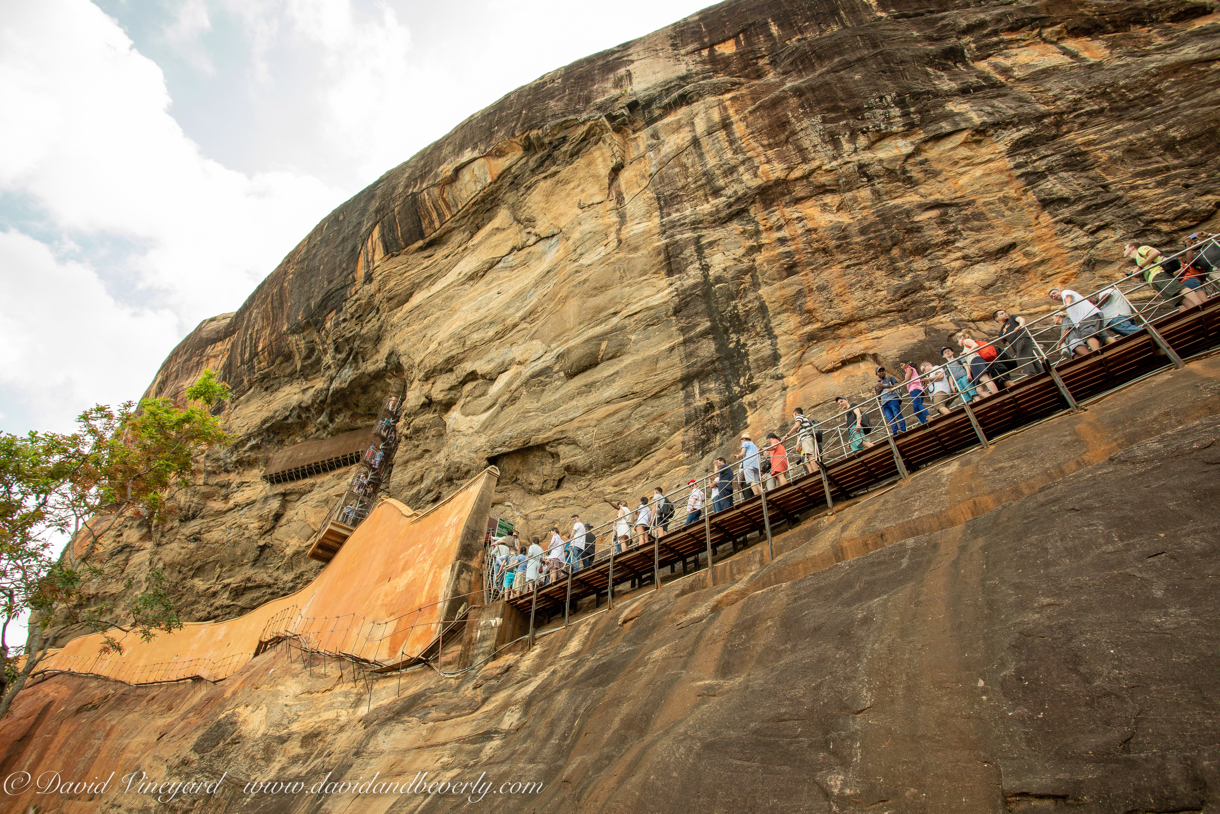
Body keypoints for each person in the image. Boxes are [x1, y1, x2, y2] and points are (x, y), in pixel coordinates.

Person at [1124, 243, 1205, 312]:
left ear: (1132, 247)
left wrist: (1139, 267)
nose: (1123, 251)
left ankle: (1199, 303)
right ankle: (1195, 310)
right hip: (1153, 280)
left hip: (1158, 273)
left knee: (1179, 289)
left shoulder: (1141, 249)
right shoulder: (1138, 259)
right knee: (1178, 299)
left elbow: (1155, 252)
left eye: (1125, 249)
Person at [993, 309, 1043, 378]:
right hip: (1016, 346)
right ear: (996, 319)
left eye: (1005, 312)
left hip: (1022, 339)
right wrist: (1016, 352)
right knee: (1031, 358)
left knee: (1023, 359)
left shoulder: (1012, 318)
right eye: (1002, 313)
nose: (1005, 314)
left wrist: (1020, 326)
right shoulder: (1001, 333)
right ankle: (1041, 372)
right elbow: (1009, 344)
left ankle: (1033, 376)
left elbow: (1021, 320)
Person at [956, 331, 1002, 396]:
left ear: (962, 337)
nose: (958, 343)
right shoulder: (965, 347)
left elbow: (975, 345)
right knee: (979, 390)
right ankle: (993, 398)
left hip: (976, 360)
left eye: (958, 340)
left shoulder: (966, 341)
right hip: (973, 364)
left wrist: (967, 352)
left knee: (984, 379)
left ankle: (998, 395)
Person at [780, 407, 820, 476]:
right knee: (806, 461)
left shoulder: (799, 416)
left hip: (806, 438)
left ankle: (817, 473)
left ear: (795, 413)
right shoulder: (804, 418)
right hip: (804, 439)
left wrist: (787, 435)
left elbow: (796, 426)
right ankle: (812, 474)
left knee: (811, 457)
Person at [874, 366, 906, 434]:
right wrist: (880, 390)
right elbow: (878, 397)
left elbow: (897, 385)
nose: (882, 372)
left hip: (892, 399)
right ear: (876, 374)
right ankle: (896, 433)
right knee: (890, 418)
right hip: (884, 403)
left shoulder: (890, 379)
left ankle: (903, 430)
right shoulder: (877, 385)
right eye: (880, 371)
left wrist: (885, 386)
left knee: (897, 413)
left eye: (883, 371)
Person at [737, 433, 763, 498]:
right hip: (756, 465)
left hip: (748, 464)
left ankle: (756, 494)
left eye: (741, 440)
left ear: (744, 439)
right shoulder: (754, 446)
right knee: (757, 483)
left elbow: (742, 453)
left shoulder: (745, 443)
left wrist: (738, 456)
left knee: (751, 481)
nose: (741, 441)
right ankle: (762, 494)